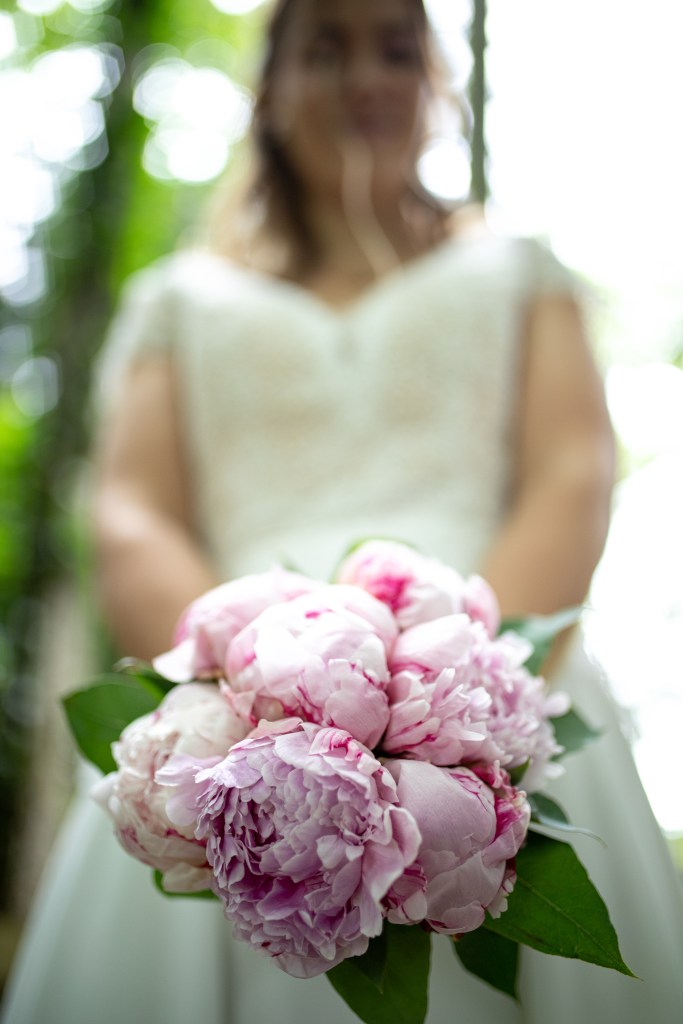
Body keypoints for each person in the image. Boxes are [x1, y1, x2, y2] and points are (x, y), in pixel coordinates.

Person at [2, 1, 682, 1021]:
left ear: (431, 82)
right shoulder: (179, 298)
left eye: (395, 50)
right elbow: (134, 510)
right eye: (325, 50)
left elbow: (569, 470)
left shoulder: (516, 269)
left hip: (495, 675)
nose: (365, 78)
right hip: (234, 707)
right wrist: (234, 708)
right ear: (271, 89)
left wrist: (468, 706)